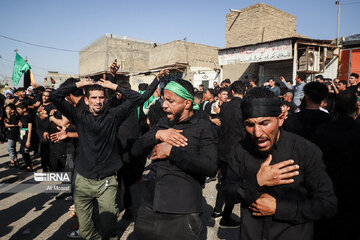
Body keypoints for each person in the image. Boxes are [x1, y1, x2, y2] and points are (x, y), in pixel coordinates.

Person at [223, 87, 337, 240]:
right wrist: (257, 181)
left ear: (281, 119)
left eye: (265, 123)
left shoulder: (305, 151)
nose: (257, 133)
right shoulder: (241, 149)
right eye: (250, 124)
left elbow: (328, 205)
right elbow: (228, 193)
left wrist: (279, 208)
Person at [50, 77, 142, 240]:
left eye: (101, 97)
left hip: (106, 177)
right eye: (93, 97)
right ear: (86, 99)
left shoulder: (112, 116)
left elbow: (137, 97)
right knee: (86, 231)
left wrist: (114, 86)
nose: (97, 101)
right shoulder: (79, 115)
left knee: (109, 225)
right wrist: (80, 84)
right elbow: (55, 96)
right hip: (83, 176)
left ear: (105, 99)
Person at [131, 79, 218, 240]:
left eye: (170, 101)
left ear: (186, 103)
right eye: (164, 99)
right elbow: (135, 150)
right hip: (149, 210)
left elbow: (211, 167)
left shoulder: (203, 128)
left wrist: (172, 152)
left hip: (182, 215)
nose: (164, 105)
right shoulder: (163, 124)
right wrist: (156, 135)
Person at [315, 90, 360, 239]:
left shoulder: (322, 130)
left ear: (333, 107)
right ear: (356, 108)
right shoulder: (356, 130)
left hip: (326, 189)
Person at [212, 80, 246, 228]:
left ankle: (217, 211)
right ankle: (226, 217)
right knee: (233, 185)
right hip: (237, 152)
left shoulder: (225, 106)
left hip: (223, 150)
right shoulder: (245, 107)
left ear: (232, 92)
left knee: (223, 182)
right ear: (244, 92)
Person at [16, 103, 33, 171]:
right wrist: (20, 125)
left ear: (24, 109)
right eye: (17, 109)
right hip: (22, 135)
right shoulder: (21, 116)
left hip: (26, 136)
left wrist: (28, 140)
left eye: (19, 109)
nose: (18, 111)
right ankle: (28, 164)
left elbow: (30, 129)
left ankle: (29, 166)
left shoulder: (29, 117)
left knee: (25, 151)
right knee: (22, 151)